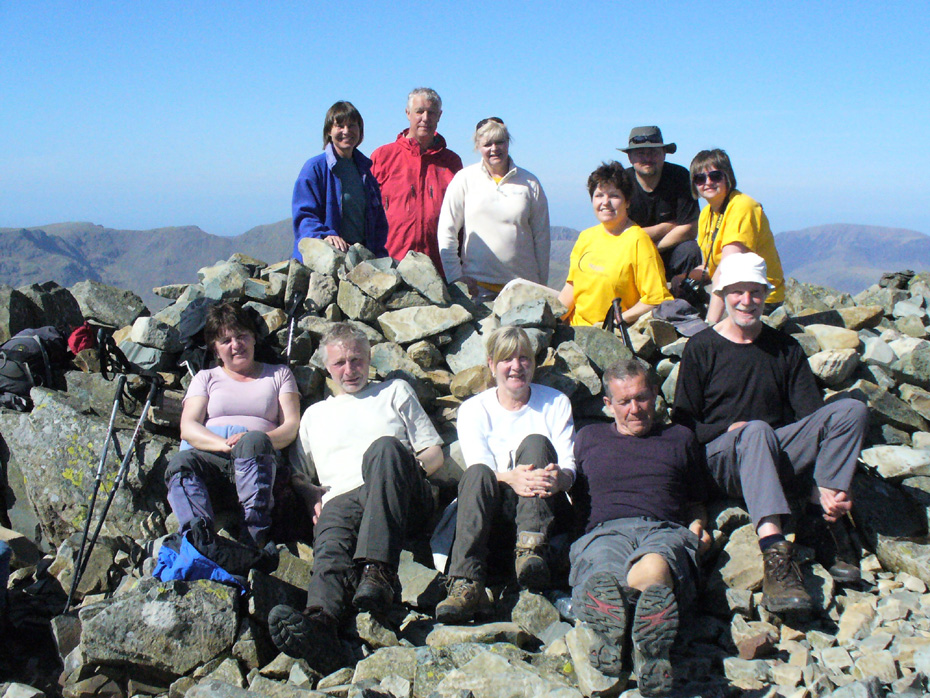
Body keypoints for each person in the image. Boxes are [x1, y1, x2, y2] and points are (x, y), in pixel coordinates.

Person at [673, 253, 869, 613]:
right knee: (757, 430)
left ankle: (819, 512)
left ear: (765, 294)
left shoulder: (785, 348)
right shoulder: (701, 349)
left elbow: (812, 418)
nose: (747, 301)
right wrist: (728, 428)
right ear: (723, 294)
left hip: (774, 453)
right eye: (737, 292)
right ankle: (776, 558)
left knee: (852, 410)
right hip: (724, 461)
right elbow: (684, 426)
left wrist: (828, 479)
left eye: (755, 292)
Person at [268, 323, 443, 671]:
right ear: (326, 368)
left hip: (403, 494)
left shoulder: (395, 390)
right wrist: (308, 494)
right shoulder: (315, 415)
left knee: (384, 449)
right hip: (346, 499)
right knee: (331, 521)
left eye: (357, 360)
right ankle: (320, 622)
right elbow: (298, 472)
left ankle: (378, 572)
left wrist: (403, 471)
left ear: (369, 358)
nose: (349, 370)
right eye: (340, 363)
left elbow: (435, 453)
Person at [571, 360, 710, 697]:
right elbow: (572, 501)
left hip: (662, 529)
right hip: (605, 532)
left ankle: (629, 643)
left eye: (642, 398)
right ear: (608, 405)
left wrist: (700, 527)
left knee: (653, 566)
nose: (635, 409)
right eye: (624, 402)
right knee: (605, 574)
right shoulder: (588, 438)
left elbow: (697, 498)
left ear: (655, 396)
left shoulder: (679, 437)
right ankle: (641, 646)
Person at [435, 326, 575, 624]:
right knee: (476, 475)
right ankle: (465, 582)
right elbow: (479, 465)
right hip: (492, 513)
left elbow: (569, 466)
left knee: (536, 443)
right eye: (506, 359)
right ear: (491, 364)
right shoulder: (474, 409)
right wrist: (512, 477)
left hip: (545, 509)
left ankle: (532, 550)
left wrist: (557, 478)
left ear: (533, 363)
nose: (516, 366)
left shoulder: (556, 402)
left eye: (524, 358)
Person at [164, 302, 301, 547]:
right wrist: (225, 446)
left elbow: (290, 425)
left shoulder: (279, 374)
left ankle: (252, 538)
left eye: (241, 336)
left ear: (254, 339)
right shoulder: (205, 378)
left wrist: (255, 441)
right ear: (215, 350)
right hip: (213, 461)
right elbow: (189, 427)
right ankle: (199, 540)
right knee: (180, 464)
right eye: (226, 341)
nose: (236, 345)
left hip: (260, 461)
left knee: (254, 441)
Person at [437, 118, 550, 299]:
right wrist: (456, 279)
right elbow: (446, 231)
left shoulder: (530, 183)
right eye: (487, 144)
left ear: (508, 143)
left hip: (522, 290)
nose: (494, 149)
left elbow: (542, 240)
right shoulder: (464, 179)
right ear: (478, 146)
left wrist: (541, 288)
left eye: (499, 142)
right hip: (478, 290)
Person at [558, 162, 672, 326]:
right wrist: (553, 320)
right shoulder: (586, 237)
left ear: (627, 202)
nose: (605, 202)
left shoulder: (638, 241)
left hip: (611, 334)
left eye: (614, 196)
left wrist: (616, 320)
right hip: (577, 329)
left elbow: (656, 299)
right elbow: (572, 287)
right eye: (599, 195)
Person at [370, 88, 463, 274]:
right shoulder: (382, 157)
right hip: (390, 267)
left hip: (440, 269)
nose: (425, 118)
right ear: (408, 113)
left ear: (440, 116)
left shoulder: (451, 162)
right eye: (419, 111)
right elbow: (366, 212)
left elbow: (464, 217)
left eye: (431, 112)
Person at [687, 148, 785, 323]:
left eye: (715, 176)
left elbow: (728, 267)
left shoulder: (743, 206)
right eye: (700, 178)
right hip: (733, 293)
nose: (708, 182)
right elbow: (713, 264)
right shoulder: (707, 213)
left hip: (757, 300)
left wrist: (711, 325)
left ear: (728, 177)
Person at [291, 101, 389, 261]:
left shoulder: (365, 173)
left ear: (360, 130)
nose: (346, 131)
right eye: (340, 126)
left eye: (352, 126)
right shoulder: (315, 169)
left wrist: (379, 257)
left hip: (359, 263)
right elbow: (304, 216)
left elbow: (378, 223)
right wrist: (325, 236)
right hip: (322, 264)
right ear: (329, 130)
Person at [619, 126, 701, 282]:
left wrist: (653, 249)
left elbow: (690, 229)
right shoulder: (622, 183)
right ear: (630, 157)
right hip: (633, 255)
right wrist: (666, 227)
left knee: (690, 250)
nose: (647, 158)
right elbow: (621, 235)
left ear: (664, 154)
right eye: (641, 153)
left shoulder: (680, 177)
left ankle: (684, 301)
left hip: (670, 252)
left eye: (653, 152)